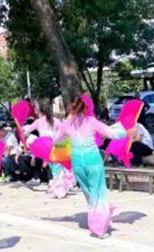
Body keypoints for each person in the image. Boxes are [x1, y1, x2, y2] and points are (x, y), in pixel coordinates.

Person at [55, 96, 135, 238]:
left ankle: (102, 216)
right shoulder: (91, 121)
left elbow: (56, 140)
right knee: (98, 192)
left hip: (77, 162)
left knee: (89, 193)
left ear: (71, 109)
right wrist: (127, 129)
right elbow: (111, 133)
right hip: (93, 160)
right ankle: (99, 226)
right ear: (84, 108)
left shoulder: (66, 125)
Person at [23, 104, 74, 196]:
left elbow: (27, 131)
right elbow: (64, 130)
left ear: (41, 112)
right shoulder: (56, 120)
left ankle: (58, 189)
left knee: (54, 168)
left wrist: (22, 131)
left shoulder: (38, 121)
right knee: (57, 168)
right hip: (55, 145)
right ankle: (58, 188)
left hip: (45, 148)